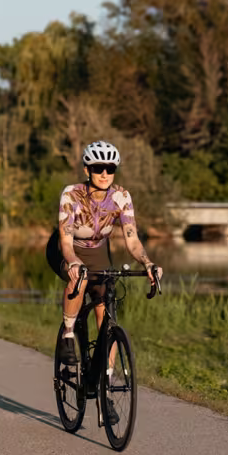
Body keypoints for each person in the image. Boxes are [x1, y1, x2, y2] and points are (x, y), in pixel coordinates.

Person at [47, 140, 161, 368]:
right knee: (80, 277)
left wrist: (148, 263)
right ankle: (68, 336)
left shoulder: (121, 197)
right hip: (66, 249)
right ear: (87, 170)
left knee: (105, 308)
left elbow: (132, 239)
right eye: (98, 168)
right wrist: (73, 263)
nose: (104, 173)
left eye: (110, 169)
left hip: (99, 251)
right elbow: (67, 243)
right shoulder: (72, 195)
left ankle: (105, 378)